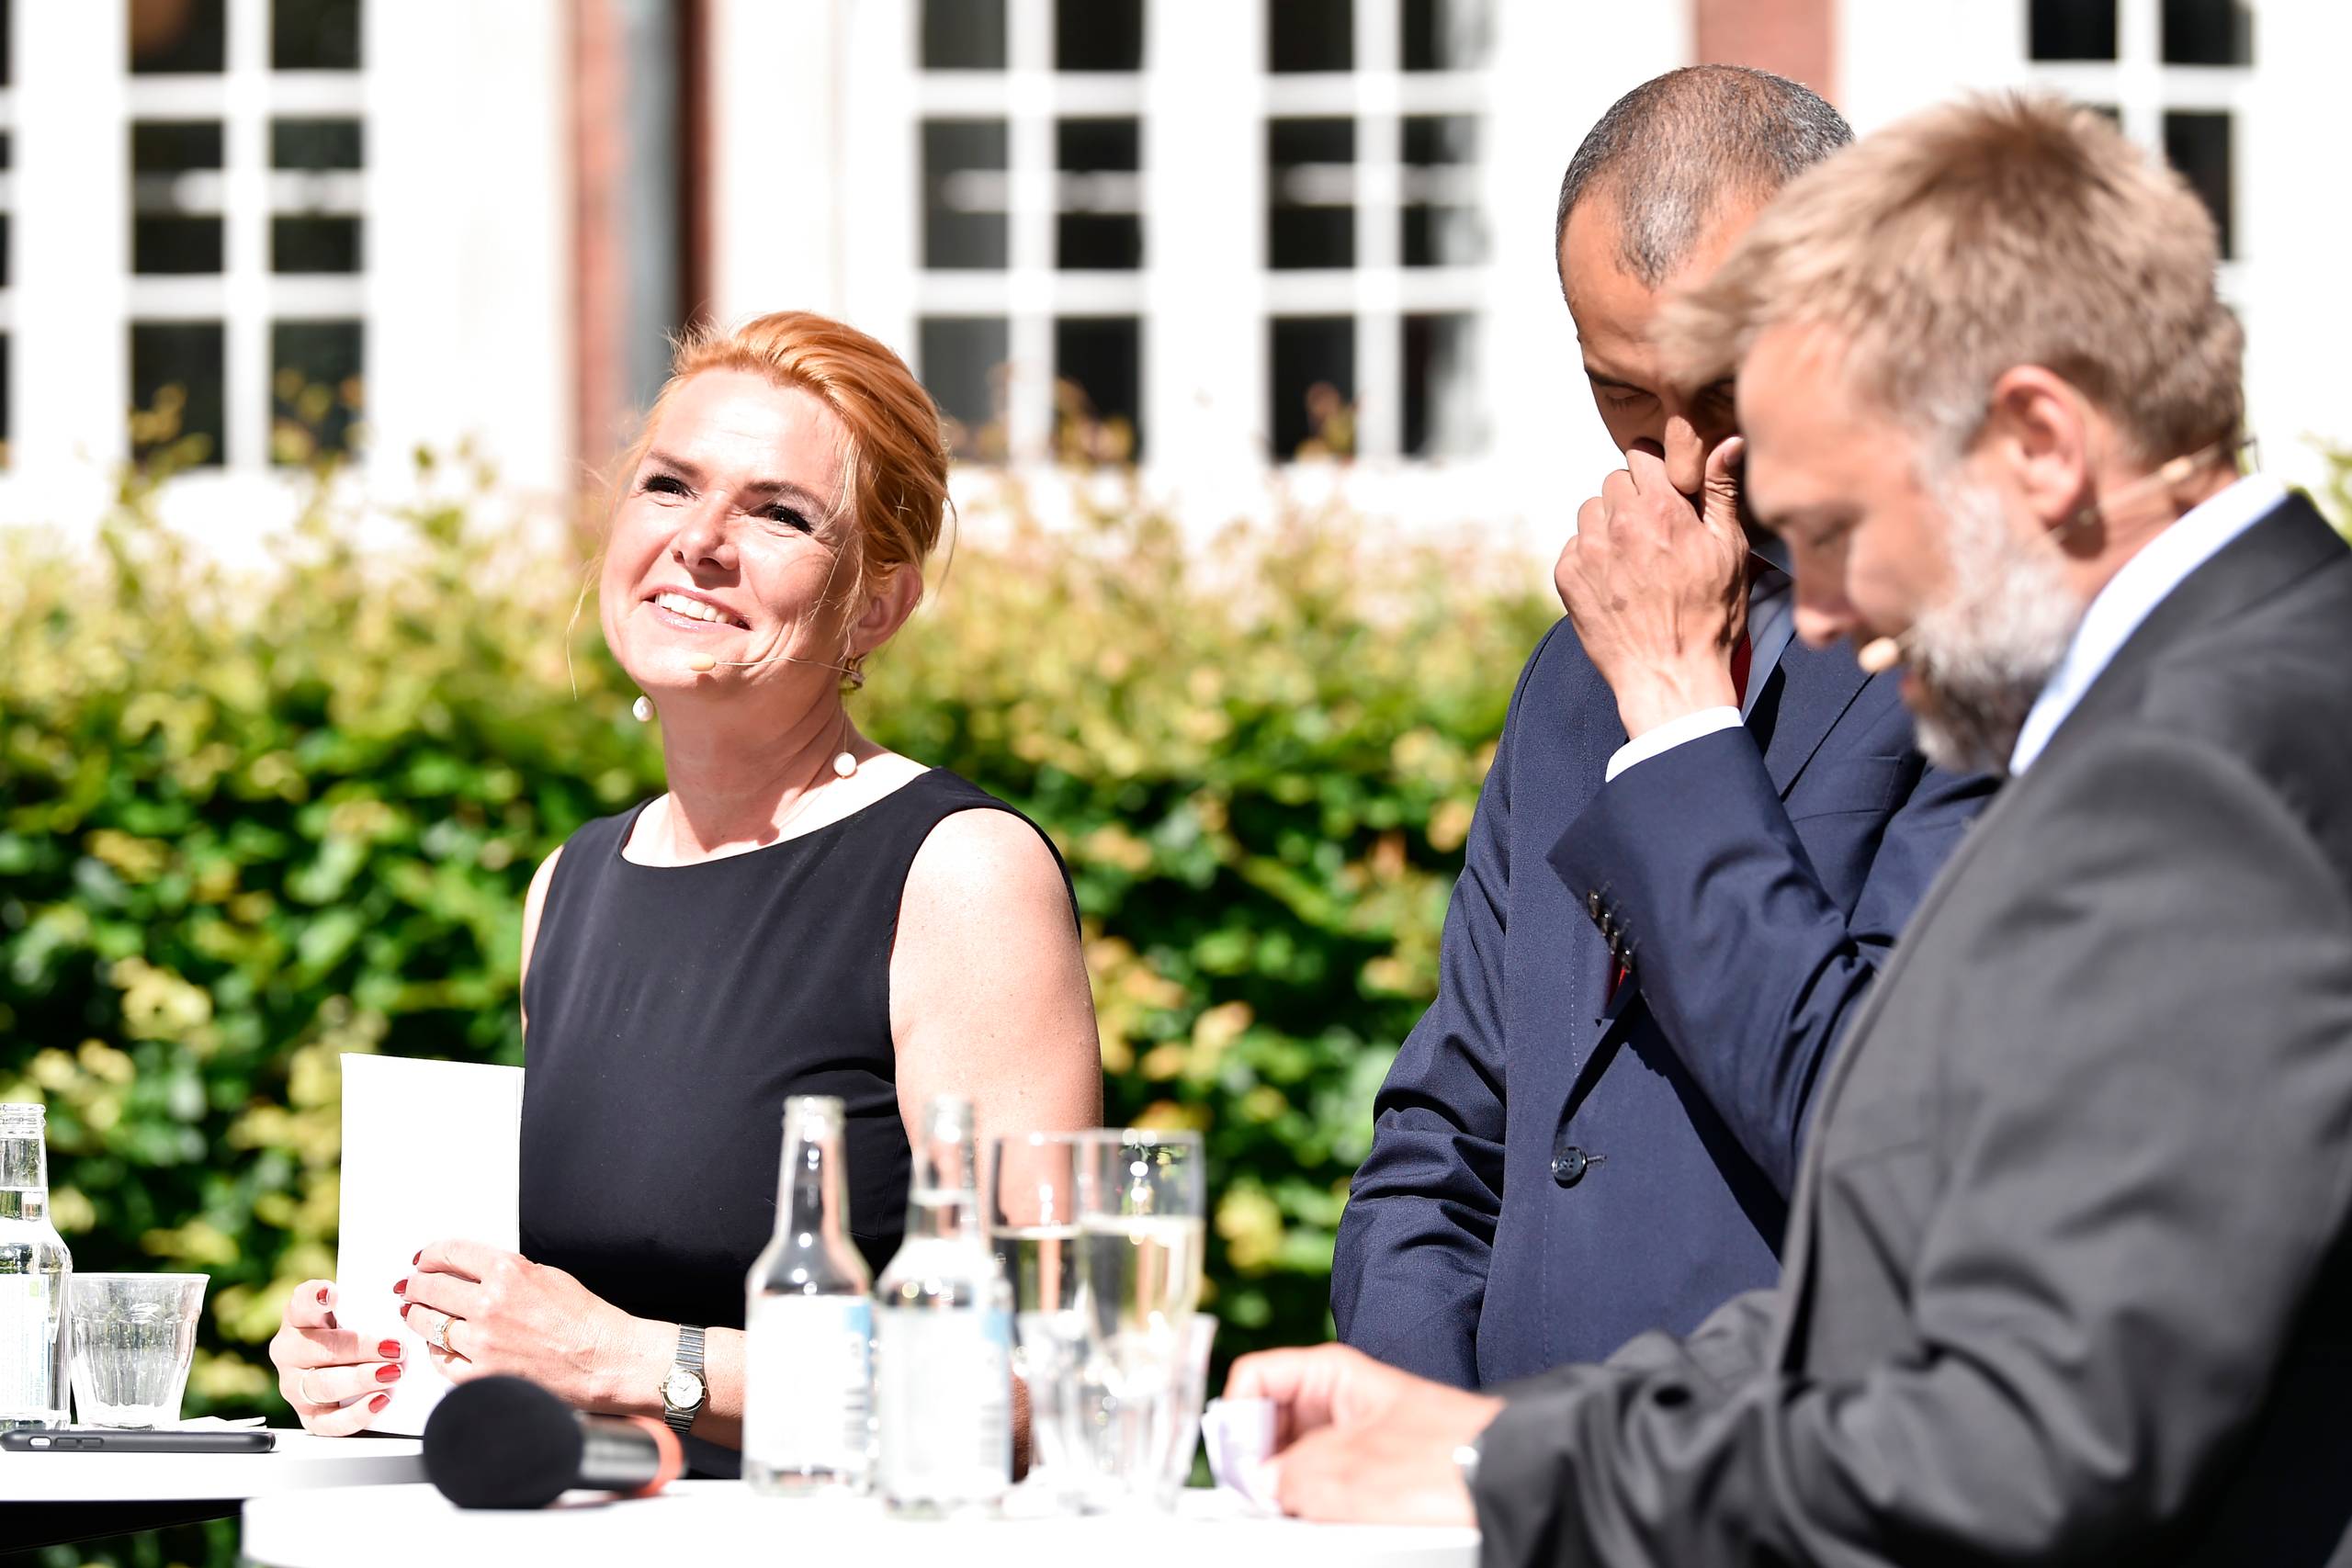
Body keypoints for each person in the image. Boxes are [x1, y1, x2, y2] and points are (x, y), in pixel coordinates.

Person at [1232, 95, 2352, 1565]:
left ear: (2036, 441)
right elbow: (1927, 1257)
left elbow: (2037, 1421)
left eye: (1829, 524)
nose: (1811, 606)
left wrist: (1517, 1462)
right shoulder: (2206, 693)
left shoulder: (2208, 753)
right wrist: (1465, 1429)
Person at [268, 311, 1103, 1469]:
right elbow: (564, 1346)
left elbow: (1041, 1377)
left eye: (777, 513)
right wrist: (402, 1353)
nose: (701, 539)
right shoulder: (569, 885)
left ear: (875, 603)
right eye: (668, 486)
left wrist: (636, 1359)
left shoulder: (957, 871)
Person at [1332, 66, 1990, 1388]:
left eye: (1723, 385)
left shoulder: (1974, 642)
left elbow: (1880, 1133)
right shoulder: (1579, 666)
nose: (1684, 455)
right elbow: (1449, 1127)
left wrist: (1686, 711)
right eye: (1623, 396)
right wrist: (1423, 1427)